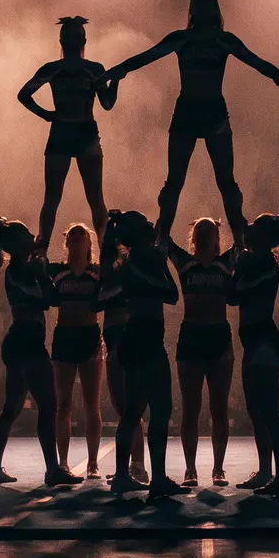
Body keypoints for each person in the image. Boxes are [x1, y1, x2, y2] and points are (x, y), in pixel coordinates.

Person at [105, 0, 279, 245]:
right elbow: (146, 57)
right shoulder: (183, 39)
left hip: (211, 115)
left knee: (222, 182)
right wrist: (117, 71)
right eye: (199, 5)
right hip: (190, 113)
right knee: (179, 181)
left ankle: (238, 241)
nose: (202, 10)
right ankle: (163, 238)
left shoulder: (221, 40)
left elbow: (257, 63)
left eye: (206, 4)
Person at [0, 219, 81, 487]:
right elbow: (50, 300)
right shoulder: (19, 270)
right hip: (27, 344)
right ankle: (52, 470)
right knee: (47, 406)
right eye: (28, 234)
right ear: (17, 245)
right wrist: (42, 267)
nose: (33, 236)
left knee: (11, 408)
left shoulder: (21, 268)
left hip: (21, 343)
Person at [104, 210, 189, 497]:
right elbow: (171, 294)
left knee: (131, 413)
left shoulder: (127, 260)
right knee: (160, 410)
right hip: (148, 340)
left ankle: (121, 476)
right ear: (141, 233)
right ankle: (159, 479)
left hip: (133, 337)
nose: (153, 227)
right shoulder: (145, 258)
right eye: (148, 225)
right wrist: (163, 260)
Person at [18, 17, 115, 251]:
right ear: (84, 41)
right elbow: (108, 103)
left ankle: (43, 249)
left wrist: (47, 115)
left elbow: (24, 95)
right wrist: (116, 82)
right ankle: (105, 251)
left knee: (53, 198)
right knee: (94, 199)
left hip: (65, 132)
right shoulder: (92, 69)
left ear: (61, 41)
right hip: (81, 132)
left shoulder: (55, 69)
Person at [227, 212, 279, 497]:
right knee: (257, 412)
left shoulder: (263, 262)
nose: (248, 229)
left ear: (266, 238)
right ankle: (267, 470)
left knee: (268, 412)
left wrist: (235, 266)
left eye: (253, 226)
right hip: (254, 342)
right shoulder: (256, 261)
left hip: (263, 343)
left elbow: (233, 295)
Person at [166, 217, 235, 487]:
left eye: (210, 231)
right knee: (191, 407)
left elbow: (243, 238)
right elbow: (165, 240)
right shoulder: (185, 262)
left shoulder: (227, 262)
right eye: (201, 231)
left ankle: (218, 468)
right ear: (194, 237)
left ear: (217, 237)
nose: (206, 235)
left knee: (219, 407)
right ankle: (190, 469)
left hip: (218, 335)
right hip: (192, 335)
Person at [48, 223, 106, 478]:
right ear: (67, 243)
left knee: (91, 403)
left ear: (89, 244)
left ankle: (93, 462)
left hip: (89, 337)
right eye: (72, 236)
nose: (76, 240)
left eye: (81, 236)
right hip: (64, 337)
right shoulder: (58, 272)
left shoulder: (97, 273)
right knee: (63, 403)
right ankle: (63, 462)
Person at [96, 222, 148, 482]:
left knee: (130, 408)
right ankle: (134, 465)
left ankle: (137, 466)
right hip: (115, 339)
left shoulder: (131, 269)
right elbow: (97, 302)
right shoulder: (109, 274)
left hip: (126, 340)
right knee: (123, 407)